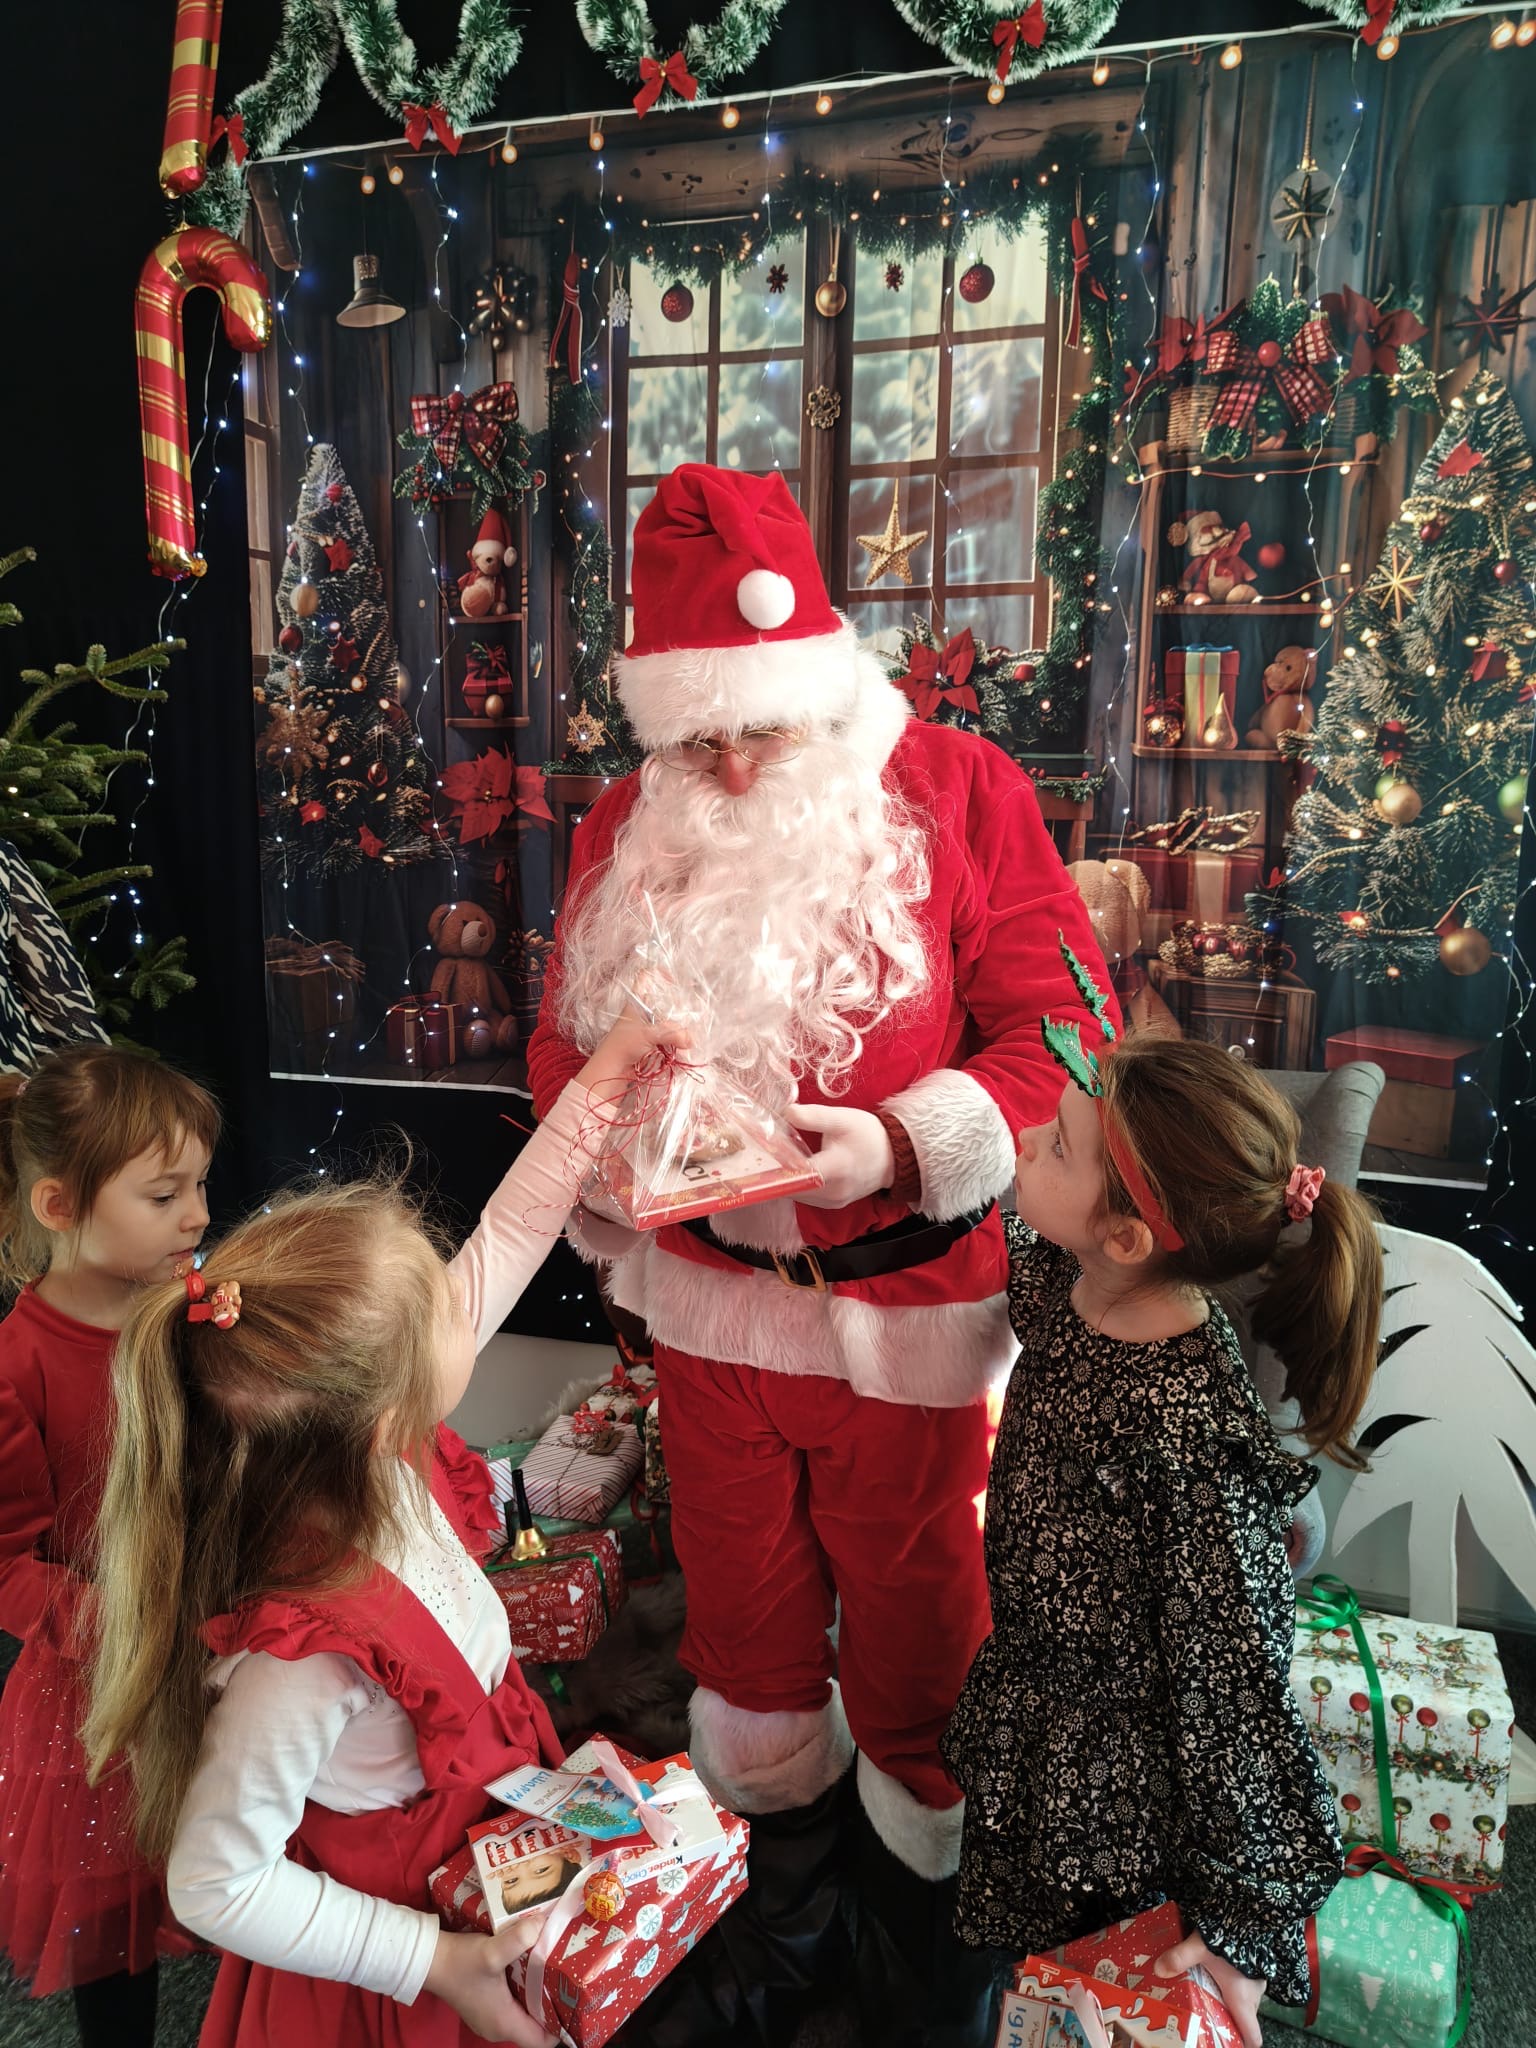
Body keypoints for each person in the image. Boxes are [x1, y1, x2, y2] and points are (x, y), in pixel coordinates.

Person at [526, 462, 1115, 2042]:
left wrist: (904, 1142)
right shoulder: (624, 823)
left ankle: (923, 1950)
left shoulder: (962, 790)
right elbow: (558, 1042)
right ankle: (783, 1933)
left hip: (909, 1319)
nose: (727, 767)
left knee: (924, 1638)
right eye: (694, 739)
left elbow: (1069, 1029)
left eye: (761, 731)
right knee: (745, 1634)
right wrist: (609, 1154)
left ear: (824, 687)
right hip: (709, 1316)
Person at [82, 1010, 679, 2048]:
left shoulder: (370, 1451)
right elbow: (216, 1879)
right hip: (399, 1981)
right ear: (388, 1411)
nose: (466, 1303)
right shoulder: (302, 1658)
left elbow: (512, 1231)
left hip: (494, 1853)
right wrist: (430, 1961)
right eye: (444, 1312)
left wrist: (605, 1079)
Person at [941, 991, 1382, 2048]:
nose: (1026, 1138)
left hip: (1121, 1799)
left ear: (1131, 1234)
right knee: (1031, 1993)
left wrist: (1242, 1915)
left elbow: (1234, 1685)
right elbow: (1024, 1230)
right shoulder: (1081, 1279)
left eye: (1056, 1144)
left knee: (1092, 2003)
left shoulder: (1190, 1438)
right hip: (1043, 1722)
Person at [0, 1042, 221, 2048]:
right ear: (59, 1206)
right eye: (166, 1194)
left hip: (223, 1635)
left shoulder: (193, 1310)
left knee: (242, 1852)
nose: (199, 1215)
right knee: (115, 1919)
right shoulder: (18, 1366)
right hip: (108, 1684)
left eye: (201, 1185)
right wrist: (119, 1626)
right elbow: (7, 1565)